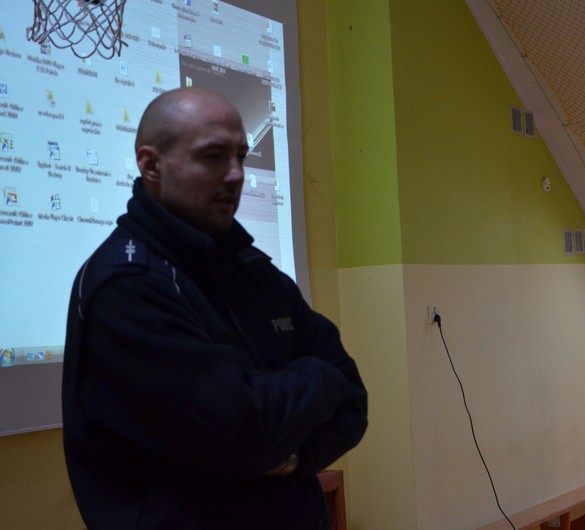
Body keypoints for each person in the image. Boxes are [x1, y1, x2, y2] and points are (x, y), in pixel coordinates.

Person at [62, 87, 368, 530]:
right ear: (151, 165)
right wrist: (319, 377)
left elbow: (353, 402)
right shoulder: (126, 287)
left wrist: (290, 460)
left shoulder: (253, 270)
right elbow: (245, 430)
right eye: (213, 157)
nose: (237, 174)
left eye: (241, 156)